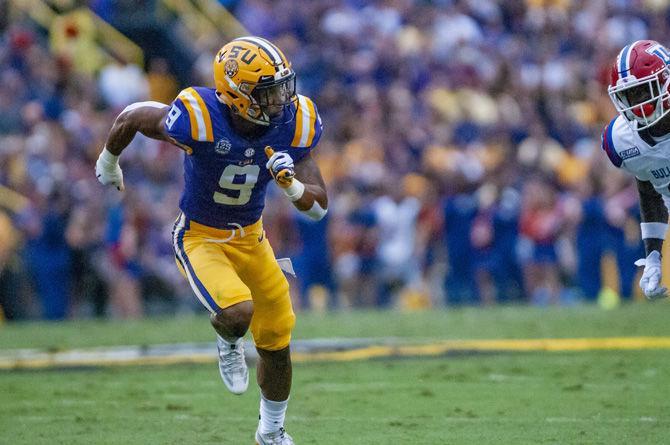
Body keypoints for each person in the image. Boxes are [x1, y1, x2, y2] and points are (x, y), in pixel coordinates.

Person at [95, 36, 328, 444]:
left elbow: (318, 208)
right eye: (268, 92)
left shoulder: (296, 120)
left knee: (278, 337)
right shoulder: (199, 116)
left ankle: (271, 433)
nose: (281, 101)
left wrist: (291, 187)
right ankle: (227, 338)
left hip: (253, 239)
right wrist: (108, 160)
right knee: (238, 313)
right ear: (237, 94)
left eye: (283, 88)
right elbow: (133, 116)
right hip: (201, 237)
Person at [603, 39, 670, 301]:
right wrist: (653, 255)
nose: (637, 104)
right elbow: (650, 180)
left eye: (643, 91)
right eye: (630, 95)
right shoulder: (622, 140)